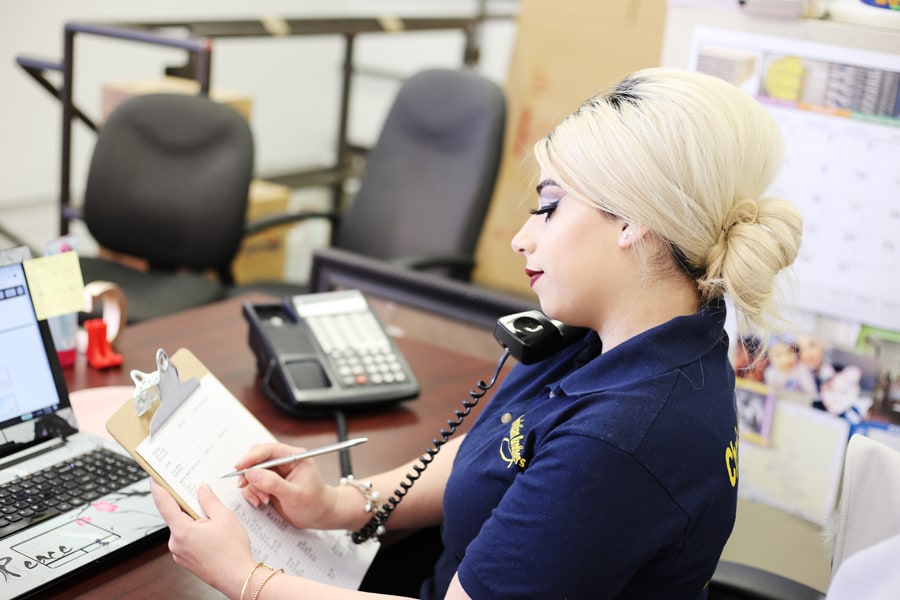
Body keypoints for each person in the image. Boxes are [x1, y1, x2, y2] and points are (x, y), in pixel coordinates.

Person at [150, 67, 802, 599]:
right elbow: (498, 454)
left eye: (550, 205)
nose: (524, 236)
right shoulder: (632, 335)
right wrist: (340, 503)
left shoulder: (622, 443)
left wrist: (245, 577)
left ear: (634, 220)